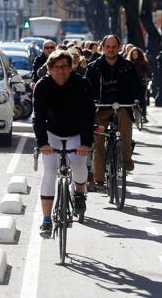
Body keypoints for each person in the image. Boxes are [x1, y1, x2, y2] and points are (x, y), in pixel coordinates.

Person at [33, 50, 95, 238]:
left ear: (71, 68)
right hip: (52, 133)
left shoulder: (82, 84)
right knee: (50, 170)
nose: (61, 71)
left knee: (78, 163)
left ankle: (78, 193)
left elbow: (88, 115)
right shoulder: (42, 86)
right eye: (57, 68)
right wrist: (43, 143)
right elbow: (38, 117)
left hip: (76, 132)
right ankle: (46, 220)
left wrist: (85, 143)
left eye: (65, 67)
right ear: (50, 69)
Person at [85, 35, 143, 191]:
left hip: (122, 106)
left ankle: (126, 158)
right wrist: (90, 104)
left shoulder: (129, 67)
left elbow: (138, 87)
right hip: (101, 108)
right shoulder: (93, 67)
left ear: (119, 48)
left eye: (114, 47)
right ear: (103, 48)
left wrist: (137, 102)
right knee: (98, 141)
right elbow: (86, 89)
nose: (111, 50)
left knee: (125, 126)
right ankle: (99, 179)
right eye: (108, 47)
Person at [127, 47, 152, 122]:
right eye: (133, 54)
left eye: (136, 54)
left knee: (142, 99)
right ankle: (130, 115)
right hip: (131, 83)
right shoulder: (128, 62)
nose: (135, 55)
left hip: (141, 82)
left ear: (139, 54)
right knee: (130, 99)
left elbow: (148, 71)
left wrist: (148, 78)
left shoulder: (143, 62)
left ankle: (144, 116)